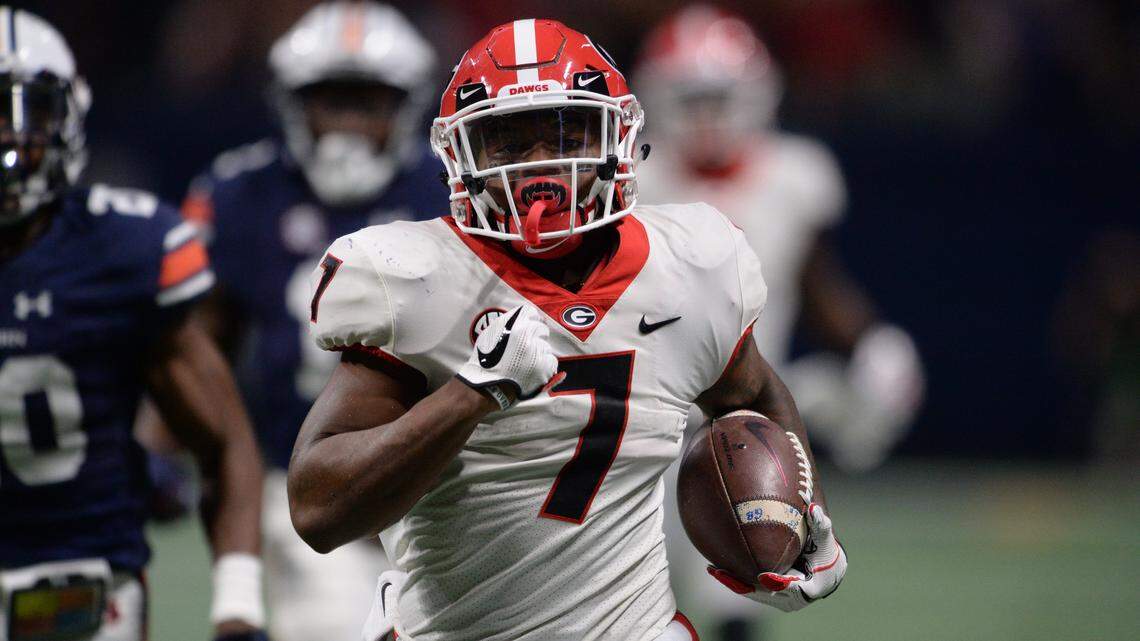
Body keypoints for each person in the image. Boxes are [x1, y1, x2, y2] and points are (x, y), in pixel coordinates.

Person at [288, 19, 847, 641]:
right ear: (460, 154)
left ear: (617, 137)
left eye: (562, 134)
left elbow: (754, 397)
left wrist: (804, 514)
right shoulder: (413, 279)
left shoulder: (690, 265)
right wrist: (468, 395)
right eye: (507, 141)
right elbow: (319, 510)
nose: (539, 167)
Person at [633, 6, 924, 640]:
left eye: (720, 95)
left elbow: (817, 287)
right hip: (645, 417)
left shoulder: (794, 176)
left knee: (749, 579)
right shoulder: (634, 180)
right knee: (633, 599)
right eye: (692, 96)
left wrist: (872, 344)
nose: (707, 113)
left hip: (751, 413)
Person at [176, 3, 444, 639]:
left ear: (405, 108)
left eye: (368, 101)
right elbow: (193, 348)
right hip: (306, 478)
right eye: (332, 101)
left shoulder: (449, 192)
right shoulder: (241, 195)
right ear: (294, 106)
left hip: (437, 478)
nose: (349, 124)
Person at [0, 8, 267, 641]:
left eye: (22, 112)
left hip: (74, 582)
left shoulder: (119, 250)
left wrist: (237, 607)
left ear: (66, 115)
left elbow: (225, 445)